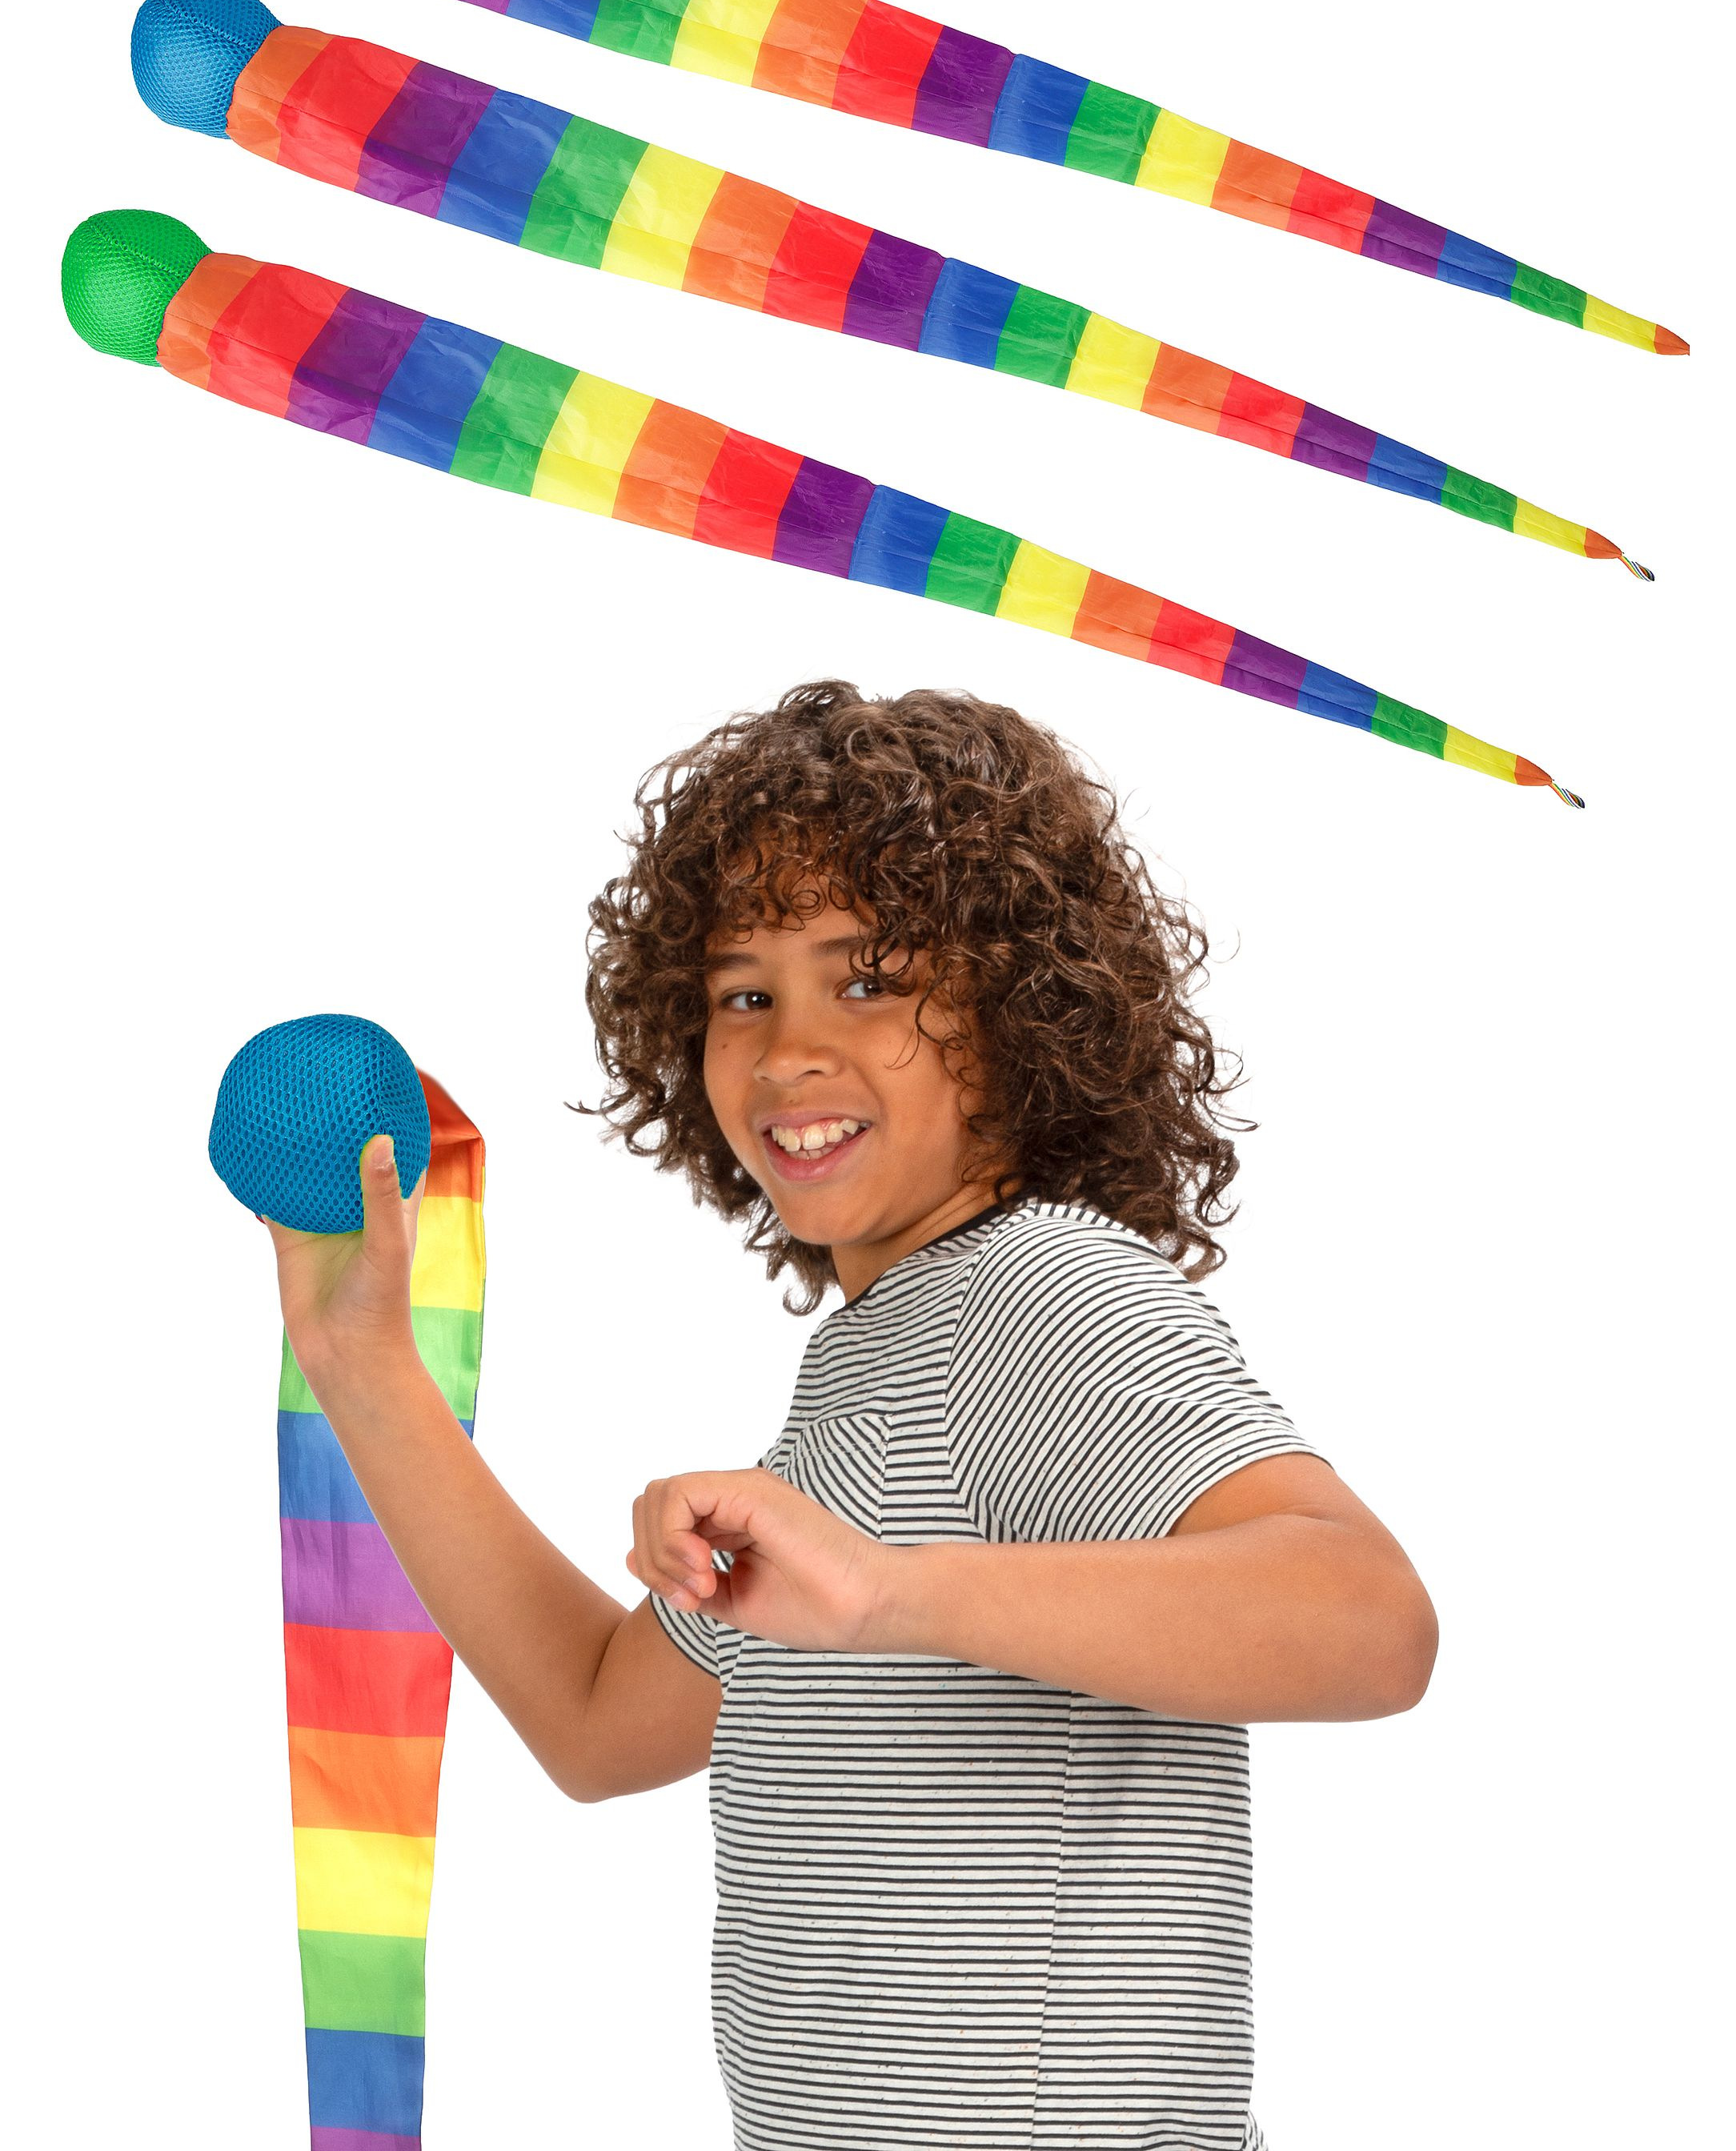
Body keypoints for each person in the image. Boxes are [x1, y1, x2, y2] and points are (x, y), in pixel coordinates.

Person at [267, 680, 1437, 2150]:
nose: (787, 1051)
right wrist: (363, 1361)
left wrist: (893, 1592)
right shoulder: (874, 1371)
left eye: (867, 978)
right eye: (743, 995)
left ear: (1022, 1011)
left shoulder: (1041, 1291)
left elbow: (1369, 1620)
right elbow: (597, 1723)